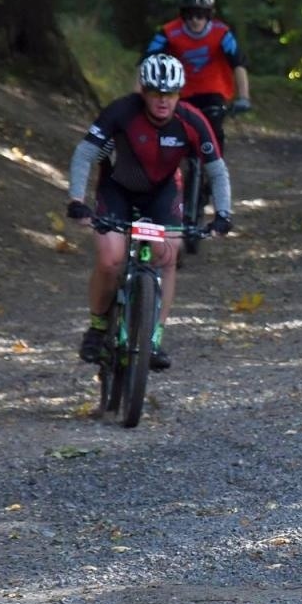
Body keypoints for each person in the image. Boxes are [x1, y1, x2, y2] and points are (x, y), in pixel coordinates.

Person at [66, 54, 233, 372]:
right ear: (143, 91)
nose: (163, 101)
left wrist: (223, 214)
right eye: (156, 92)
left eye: (170, 94)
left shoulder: (192, 120)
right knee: (110, 258)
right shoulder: (122, 112)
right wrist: (76, 199)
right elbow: (84, 153)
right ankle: (98, 326)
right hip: (117, 189)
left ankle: (153, 338)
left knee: (167, 255)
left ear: (180, 93)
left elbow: (217, 170)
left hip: (162, 193)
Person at [145, 0, 252, 157]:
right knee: (173, 136)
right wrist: (139, 94)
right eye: (189, 15)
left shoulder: (222, 33)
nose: (195, 20)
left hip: (213, 93)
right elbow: (146, 60)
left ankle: (216, 178)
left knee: (214, 134)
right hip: (180, 92)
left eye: (200, 15)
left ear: (209, 15)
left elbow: (238, 64)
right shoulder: (169, 32)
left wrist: (244, 97)